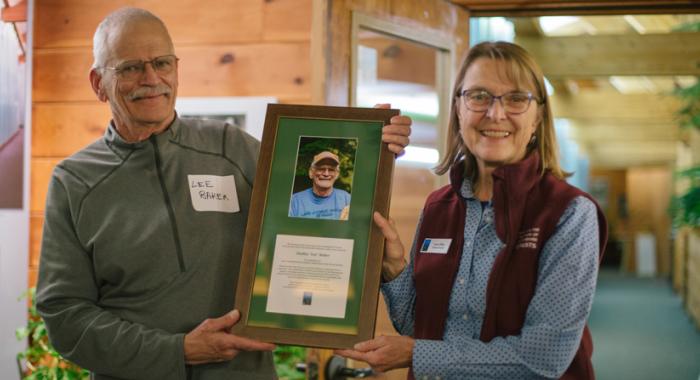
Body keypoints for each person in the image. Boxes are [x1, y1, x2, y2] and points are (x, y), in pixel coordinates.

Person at [35, 7, 411, 380]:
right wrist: (177, 351)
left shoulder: (231, 148)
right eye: (130, 67)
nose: (151, 78)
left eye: (162, 63)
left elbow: (313, 216)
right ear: (98, 83)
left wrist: (373, 144)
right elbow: (64, 315)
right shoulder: (75, 181)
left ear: (177, 69)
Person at [336, 41, 607, 380]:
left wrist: (417, 353)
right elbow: (422, 324)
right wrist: (394, 268)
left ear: (538, 117)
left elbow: (544, 356)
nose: (495, 113)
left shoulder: (569, 213)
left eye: (516, 98)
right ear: (458, 109)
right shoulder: (439, 206)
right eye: (479, 96)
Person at [289, 150, 351, 220]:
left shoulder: (347, 200)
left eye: (331, 170)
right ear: (311, 173)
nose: (326, 174)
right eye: (321, 169)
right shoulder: (294, 202)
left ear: (337, 174)